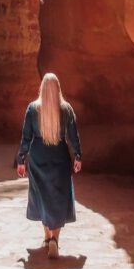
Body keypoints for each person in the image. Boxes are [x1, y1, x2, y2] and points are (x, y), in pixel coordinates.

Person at [15, 72, 82, 258]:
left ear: (42, 88)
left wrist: (21, 160)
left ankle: (46, 238)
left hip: (38, 157)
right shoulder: (66, 109)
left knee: (42, 195)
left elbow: (26, 137)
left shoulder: (32, 108)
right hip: (59, 156)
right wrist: (77, 156)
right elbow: (73, 136)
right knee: (58, 197)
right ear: (58, 88)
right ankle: (55, 239)